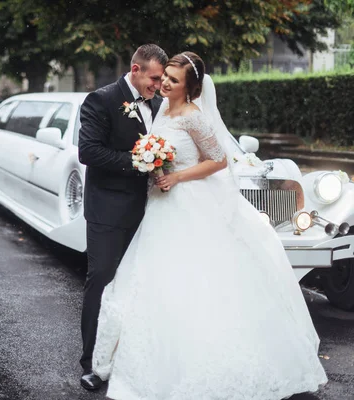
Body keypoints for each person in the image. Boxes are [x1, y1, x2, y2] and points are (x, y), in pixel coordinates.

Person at [90, 51, 328, 399]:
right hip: (159, 207)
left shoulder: (193, 116)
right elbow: (156, 151)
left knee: (195, 283)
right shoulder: (162, 109)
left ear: (190, 86)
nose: (165, 83)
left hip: (186, 203)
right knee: (151, 281)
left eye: (173, 79)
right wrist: (152, 164)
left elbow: (218, 160)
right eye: (165, 76)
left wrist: (177, 177)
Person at [77, 43, 168, 391]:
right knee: (101, 280)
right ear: (135, 69)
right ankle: (91, 363)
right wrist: (140, 163)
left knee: (140, 285)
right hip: (109, 211)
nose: (157, 86)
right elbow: (89, 151)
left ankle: (128, 359)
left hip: (150, 211)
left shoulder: (159, 105)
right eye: (154, 78)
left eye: (161, 80)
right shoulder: (100, 100)